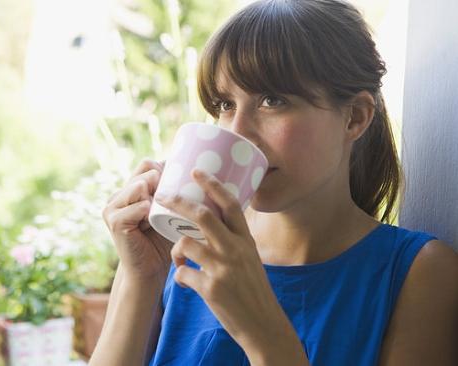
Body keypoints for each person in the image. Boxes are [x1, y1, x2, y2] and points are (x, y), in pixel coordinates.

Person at [90, 0, 458, 365]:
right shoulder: (181, 249)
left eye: (272, 100)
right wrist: (139, 279)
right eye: (224, 104)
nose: (238, 133)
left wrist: (263, 334)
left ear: (355, 118)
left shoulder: (418, 273)